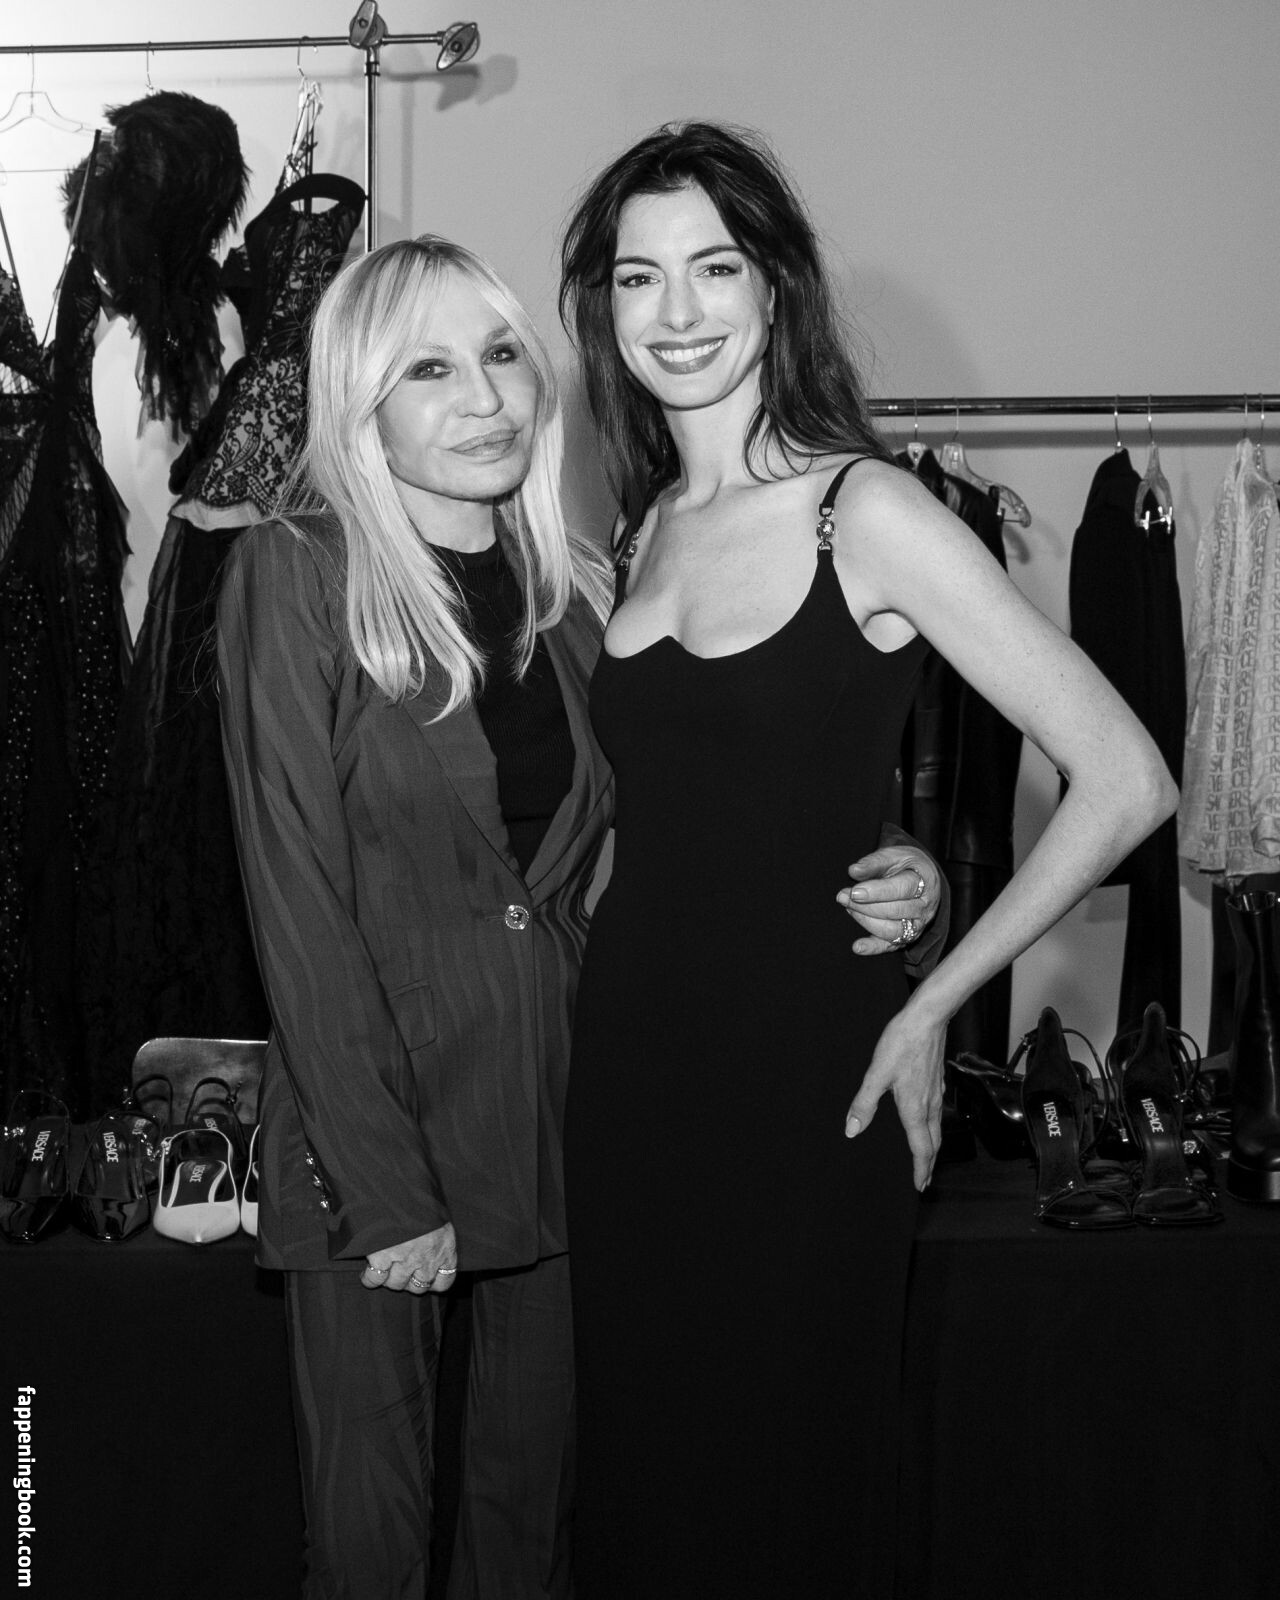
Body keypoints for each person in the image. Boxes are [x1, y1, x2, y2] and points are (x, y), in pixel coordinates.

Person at [216, 234, 946, 1600]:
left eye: (502, 355)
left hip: (568, 1116)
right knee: (368, 1551)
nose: (484, 398)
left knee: (533, 1532)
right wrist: (387, 1193)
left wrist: (903, 866)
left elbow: (698, 823)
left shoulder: (582, 592)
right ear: (361, 400)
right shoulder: (298, 571)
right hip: (370, 1138)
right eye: (429, 370)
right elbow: (293, 899)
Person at [558, 122, 1177, 1600]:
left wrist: (931, 998)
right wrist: (900, 859)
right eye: (638, 277)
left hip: (806, 1077)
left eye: (714, 267)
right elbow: (699, 812)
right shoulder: (642, 524)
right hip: (632, 1075)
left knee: (791, 1474)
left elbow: (1127, 778)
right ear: (604, 307)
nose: (676, 311)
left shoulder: (869, 511)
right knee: (647, 1470)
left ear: (775, 287)